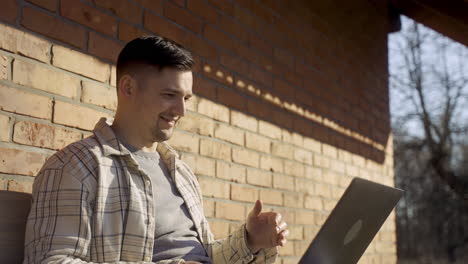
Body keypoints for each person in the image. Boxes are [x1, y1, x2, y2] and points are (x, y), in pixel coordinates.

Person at [23, 36, 289, 263]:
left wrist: (250, 241)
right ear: (128, 87)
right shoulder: (76, 168)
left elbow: (204, 256)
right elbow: (53, 259)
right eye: (169, 95)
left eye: (186, 98)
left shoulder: (181, 172)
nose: (181, 111)